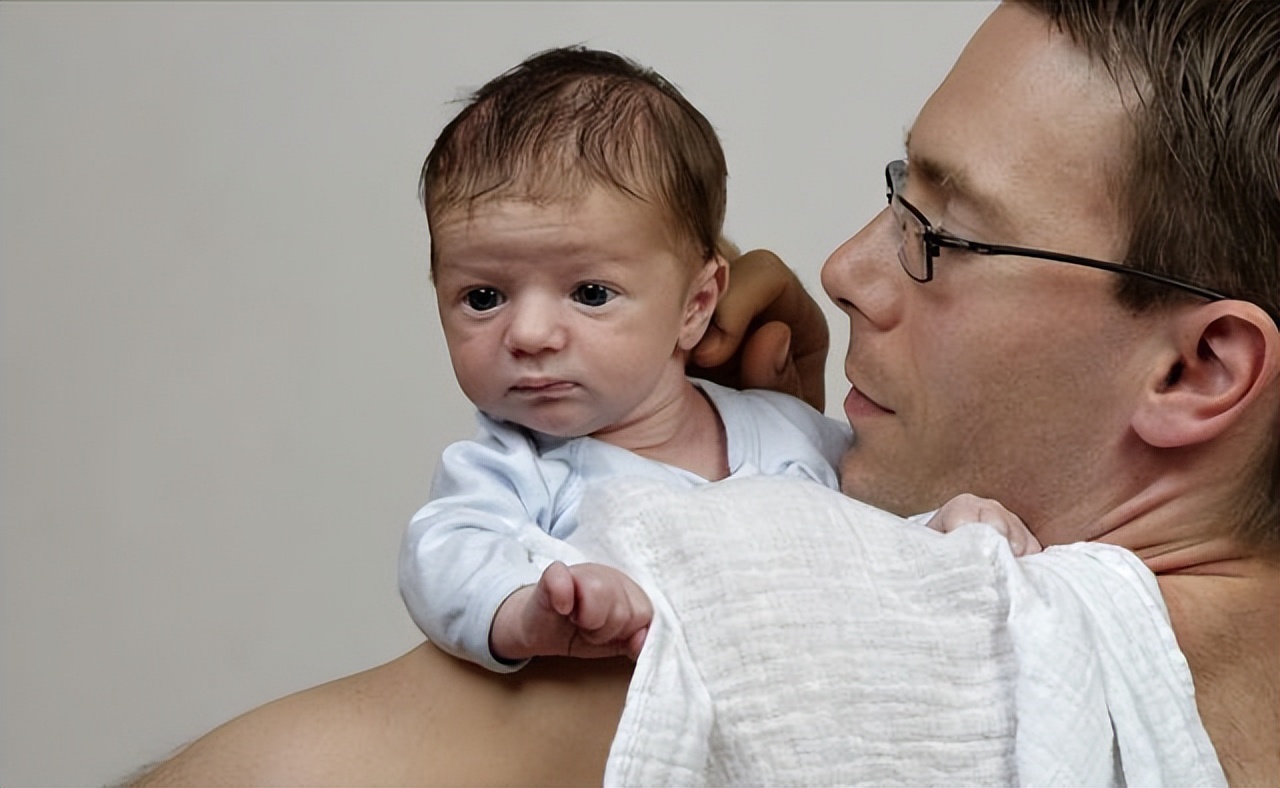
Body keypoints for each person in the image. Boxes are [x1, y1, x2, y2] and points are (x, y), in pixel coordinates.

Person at [129, 0, 1279, 785]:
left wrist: (762, 531)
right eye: (895, 193)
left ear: (1197, 368)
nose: (841, 269)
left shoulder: (748, 612)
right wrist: (779, 457)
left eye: (940, 233)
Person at [403, 46, 1035, 673]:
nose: (529, 334)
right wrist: (524, 613)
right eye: (483, 298)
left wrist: (946, 530)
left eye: (590, 293)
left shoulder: (787, 430)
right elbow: (444, 555)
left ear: (695, 305)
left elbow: (864, 549)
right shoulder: (509, 470)